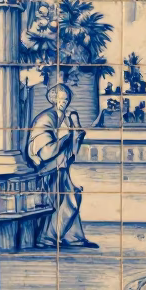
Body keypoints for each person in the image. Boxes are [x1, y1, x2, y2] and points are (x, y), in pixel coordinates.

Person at [27, 82, 97, 248]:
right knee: (64, 200)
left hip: (60, 166)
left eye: (66, 99)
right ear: (53, 99)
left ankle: (74, 237)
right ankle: (46, 238)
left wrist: (76, 127)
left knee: (69, 198)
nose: (64, 102)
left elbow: (73, 145)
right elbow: (45, 152)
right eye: (61, 99)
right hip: (48, 169)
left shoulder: (64, 117)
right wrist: (67, 136)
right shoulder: (46, 119)